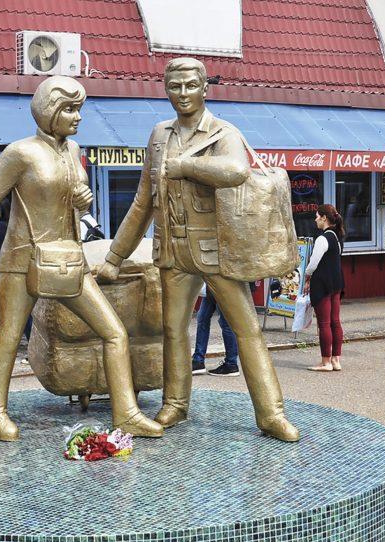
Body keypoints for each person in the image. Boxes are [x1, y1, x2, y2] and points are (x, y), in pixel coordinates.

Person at [0, 76, 161, 441]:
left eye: (79, 109)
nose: (78, 117)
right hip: (22, 261)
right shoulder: (20, 153)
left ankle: (126, 413)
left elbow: (70, 201)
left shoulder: (73, 150)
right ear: (49, 111)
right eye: (70, 109)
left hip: (68, 259)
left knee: (114, 332)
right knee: (9, 335)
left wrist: (82, 201)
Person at [96, 57, 298, 442]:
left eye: (191, 85)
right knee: (173, 330)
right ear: (165, 89)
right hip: (173, 251)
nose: (183, 93)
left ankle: (271, 414)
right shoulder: (159, 135)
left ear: (205, 88)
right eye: (175, 86)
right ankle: (175, 403)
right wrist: (114, 258)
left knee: (246, 329)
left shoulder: (223, 132)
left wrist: (185, 167)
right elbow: (142, 202)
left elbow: (236, 170)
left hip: (216, 252)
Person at [303, 205, 345, 372]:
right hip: (337, 282)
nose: (315, 220)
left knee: (324, 323)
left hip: (322, 283)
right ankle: (336, 360)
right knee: (335, 321)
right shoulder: (337, 236)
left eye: (317, 216)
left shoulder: (322, 239)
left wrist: (306, 276)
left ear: (324, 218)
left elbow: (313, 264)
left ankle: (325, 362)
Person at [191, 286, 239, 376]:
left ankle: (231, 364)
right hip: (211, 287)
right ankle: (198, 361)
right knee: (202, 318)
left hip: (223, 287)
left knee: (226, 323)